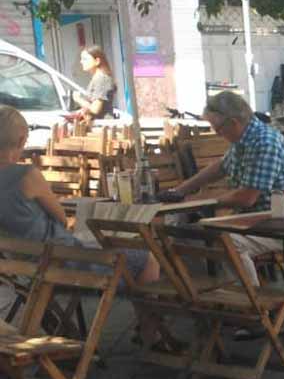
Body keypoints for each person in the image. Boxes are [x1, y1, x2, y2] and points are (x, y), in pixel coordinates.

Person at [0, 105, 173, 348]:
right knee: (146, 259)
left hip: (21, 271)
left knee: (109, 247)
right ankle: (150, 334)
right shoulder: (27, 175)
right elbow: (61, 218)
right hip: (62, 264)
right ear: (20, 140)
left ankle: (144, 329)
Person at [162, 90, 284, 283]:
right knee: (183, 234)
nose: (217, 134)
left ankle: (252, 304)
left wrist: (198, 202)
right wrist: (180, 191)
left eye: (217, 128)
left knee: (226, 242)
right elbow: (220, 167)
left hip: (279, 224)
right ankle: (203, 293)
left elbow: (246, 197)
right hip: (253, 221)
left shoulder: (265, 142)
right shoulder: (243, 141)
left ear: (233, 122)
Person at [70, 46, 116, 122]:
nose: (81, 62)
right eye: (81, 59)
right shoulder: (96, 78)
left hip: (103, 126)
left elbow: (95, 109)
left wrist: (78, 99)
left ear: (97, 61)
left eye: (85, 59)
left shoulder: (102, 79)